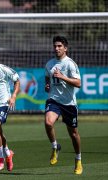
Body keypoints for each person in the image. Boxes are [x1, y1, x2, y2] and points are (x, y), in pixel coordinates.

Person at [44, 36, 82, 175]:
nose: (57, 48)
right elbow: (47, 76)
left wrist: (63, 77)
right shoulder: (49, 64)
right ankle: (55, 147)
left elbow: (78, 83)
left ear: (65, 48)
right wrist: (47, 84)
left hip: (69, 103)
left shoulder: (70, 64)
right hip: (54, 100)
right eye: (55, 46)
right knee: (48, 123)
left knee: (73, 134)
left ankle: (78, 159)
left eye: (60, 46)